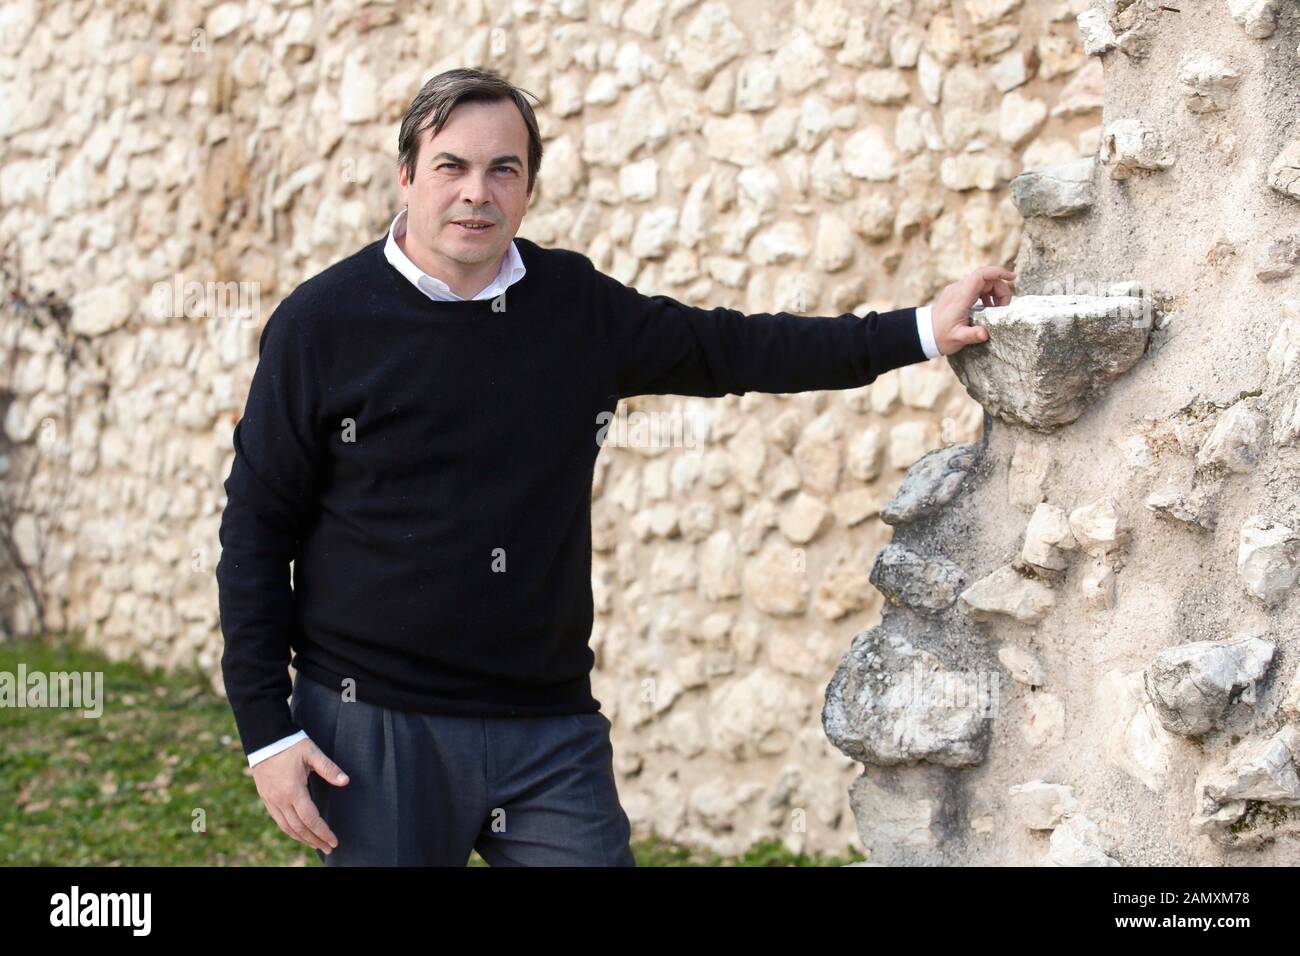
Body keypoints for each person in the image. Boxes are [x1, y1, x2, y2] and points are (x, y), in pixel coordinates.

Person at [216, 67, 1014, 867]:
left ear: (528, 187)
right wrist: (267, 731)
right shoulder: (321, 324)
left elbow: (731, 347)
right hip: (375, 727)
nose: (476, 193)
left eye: (505, 169)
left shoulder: (572, 304)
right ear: (407, 175)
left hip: (547, 726)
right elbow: (255, 531)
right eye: (451, 166)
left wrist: (916, 328)